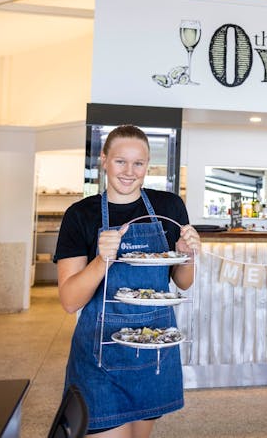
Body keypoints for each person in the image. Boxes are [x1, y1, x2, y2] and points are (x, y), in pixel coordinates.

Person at [54, 124, 201, 437]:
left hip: (153, 348)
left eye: (139, 163)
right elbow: (69, 301)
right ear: (104, 160)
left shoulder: (169, 207)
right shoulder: (81, 214)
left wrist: (187, 254)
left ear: (148, 165)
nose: (129, 171)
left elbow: (183, 282)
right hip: (100, 355)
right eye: (121, 161)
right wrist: (101, 260)